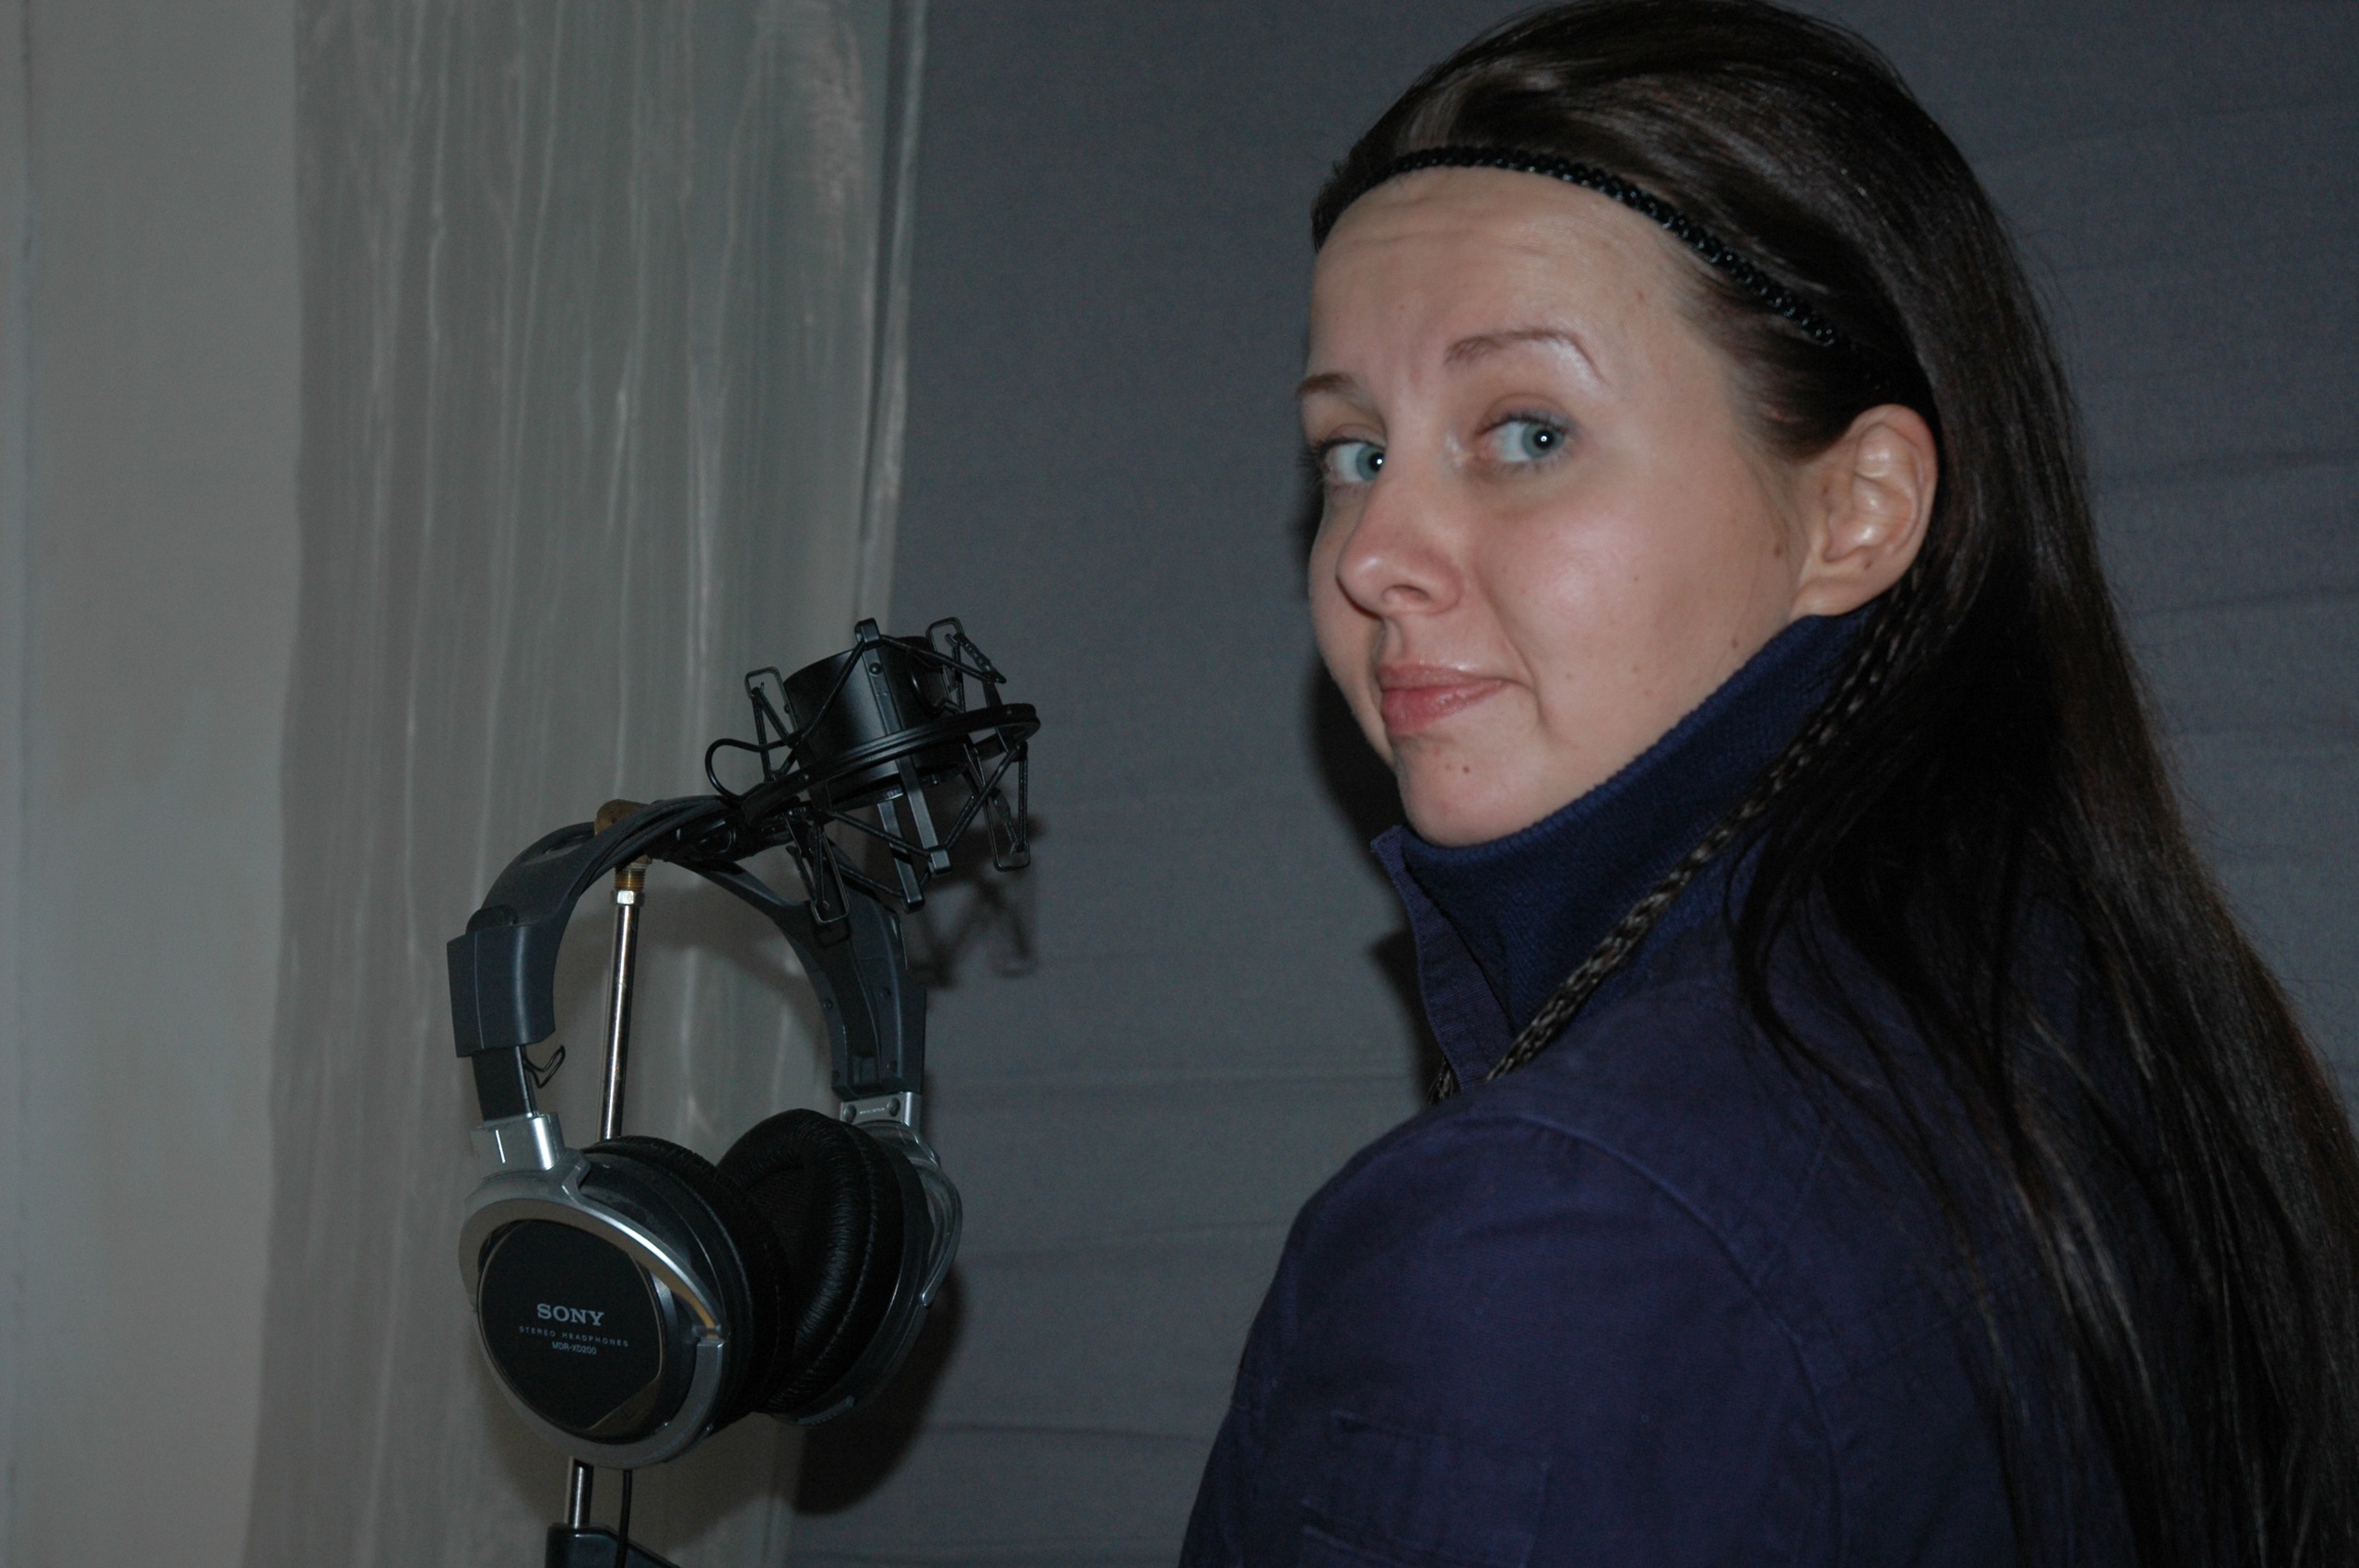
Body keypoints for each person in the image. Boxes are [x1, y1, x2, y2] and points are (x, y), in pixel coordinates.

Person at [1179, 3, 2359, 1564]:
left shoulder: (1558, 1238)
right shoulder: (2109, 1032)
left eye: (1526, 431)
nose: (1374, 555)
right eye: (1352, 452)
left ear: (1855, 510)